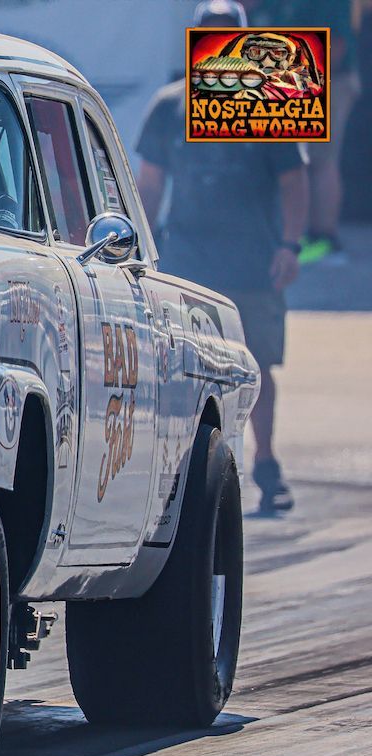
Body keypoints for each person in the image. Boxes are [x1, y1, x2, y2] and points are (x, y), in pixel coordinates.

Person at [137, 0, 308, 513]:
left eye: (228, 33)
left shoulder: (271, 96)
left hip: (254, 257)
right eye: (209, 34)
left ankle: (268, 464)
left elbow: (294, 180)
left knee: (259, 366)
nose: (220, 46)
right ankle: (185, 474)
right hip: (188, 259)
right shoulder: (170, 105)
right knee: (184, 369)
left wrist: (291, 245)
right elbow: (149, 184)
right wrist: (143, 250)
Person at [246, 0, 361, 265]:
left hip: (327, 78)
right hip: (282, 79)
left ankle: (324, 239)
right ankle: (285, 237)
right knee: (285, 161)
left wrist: (296, 84)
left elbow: (337, 46)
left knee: (319, 160)